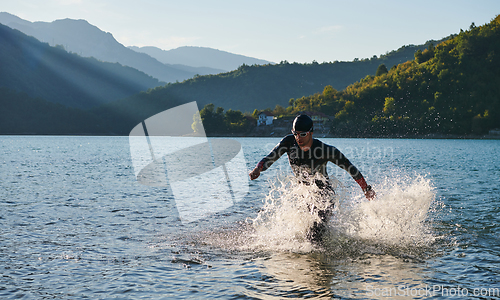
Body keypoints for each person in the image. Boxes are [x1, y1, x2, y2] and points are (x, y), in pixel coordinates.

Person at [249, 114, 375, 244]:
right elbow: (269, 158)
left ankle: (321, 259)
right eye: (295, 134)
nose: (298, 138)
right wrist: (258, 168)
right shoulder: (288, 142)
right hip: (305, 194)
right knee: (306, 233)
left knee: (314, 233)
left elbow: (351, 169)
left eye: (302, 134)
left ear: (311, 132)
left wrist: (366, 189)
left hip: (324, 196)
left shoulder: (325, 150)